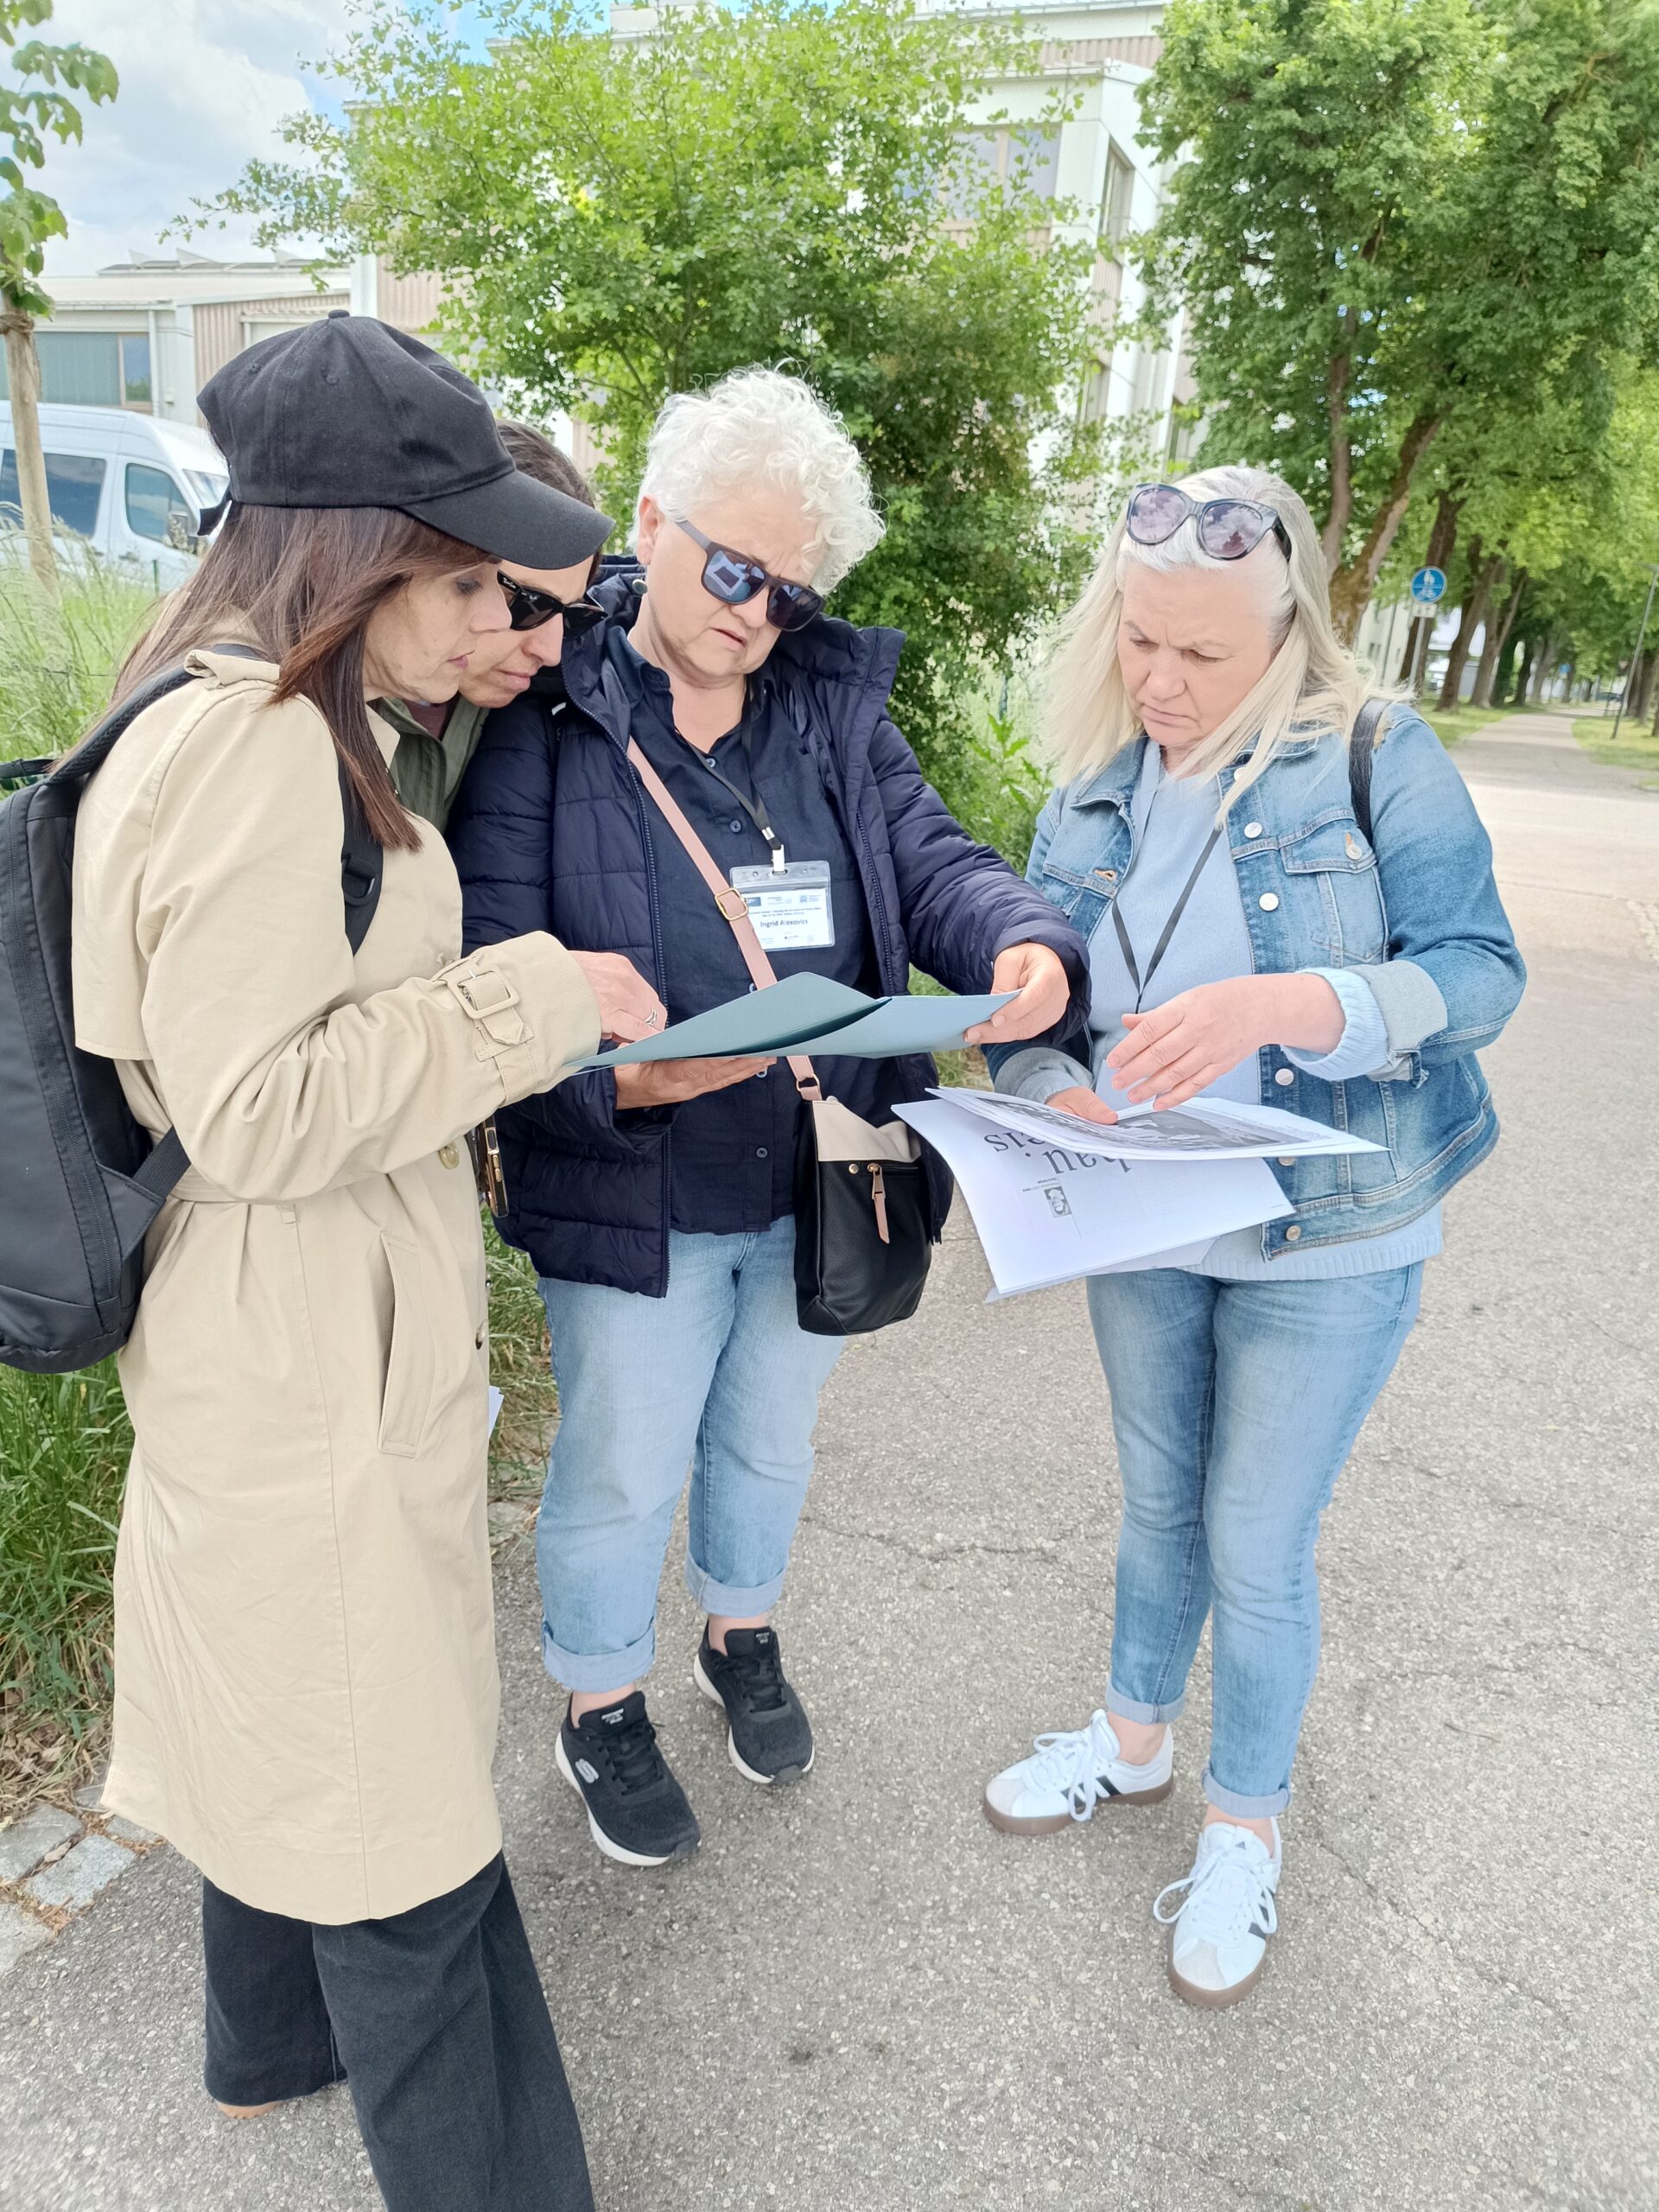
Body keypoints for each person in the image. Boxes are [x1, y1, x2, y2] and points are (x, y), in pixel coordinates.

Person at [71, 312, 666, 2209]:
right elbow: (256, 1107)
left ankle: (265, 2051)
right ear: (357, 554)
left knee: (291, 1713)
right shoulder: (264, 746)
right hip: (306, 1335)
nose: (506, 620)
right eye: (473, 576)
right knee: (395, 1812)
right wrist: (534, 999)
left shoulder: (227, 708)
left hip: (267, 1331)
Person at [448, 367, 1090, 1869]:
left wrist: (1022, 939)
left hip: (819, 1170)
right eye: (735, 573)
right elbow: (486, 966)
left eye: (792, 595)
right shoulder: (545, 715)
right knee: (622, 1462)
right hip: (638, 1186)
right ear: (649, 522)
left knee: (769, 1442)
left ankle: (739, 1631)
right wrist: (613, 1082)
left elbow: (933, 858)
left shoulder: (829, 713)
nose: (758, 616)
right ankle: (600, 1699)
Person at [980, 466, 1524, 2009]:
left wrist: (1290, 1004)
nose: (1161, 681)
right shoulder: (1095, 787)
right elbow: (1034, 1006)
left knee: (1255, 1540)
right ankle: (1133, 1740)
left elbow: (1481, 974)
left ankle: (1243, 1828)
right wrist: (1056, 1090)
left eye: (1204, 654)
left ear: (1287, 633)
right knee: (1158, 1504)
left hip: (1331, 1234)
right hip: (1148, 1215)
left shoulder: (1375, 752)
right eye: (1140, 639)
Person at [382, 420, 605, 829]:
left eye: (574, 614)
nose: (550, 652)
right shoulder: (303, 703)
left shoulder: (530, 703)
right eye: (528, 604)